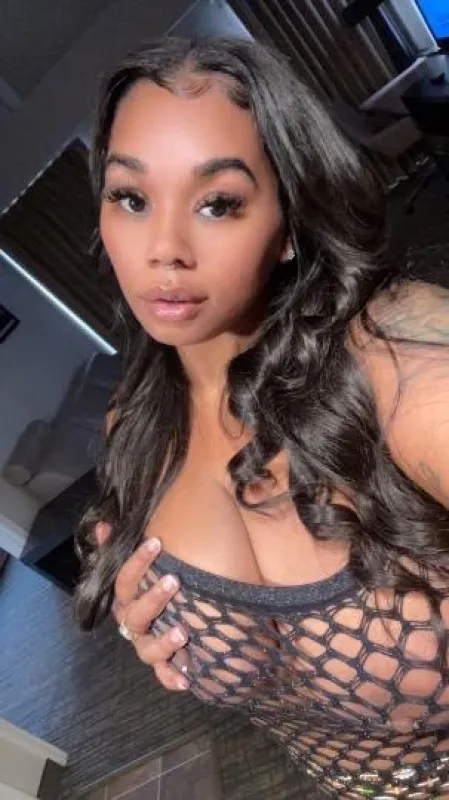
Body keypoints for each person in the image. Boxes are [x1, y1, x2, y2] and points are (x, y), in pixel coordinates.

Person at [75, 36, 449, 799]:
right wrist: (147, 622)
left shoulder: (398, 381)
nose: (164, 249)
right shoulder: (134, 430)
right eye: (131, 198)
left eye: (218, 203)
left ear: (286, 224)